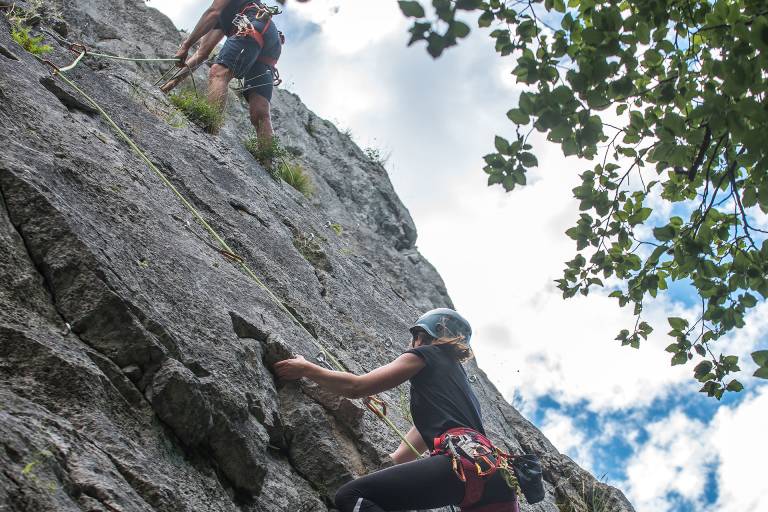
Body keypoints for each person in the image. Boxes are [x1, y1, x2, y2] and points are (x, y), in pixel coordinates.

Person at [275, 308, 518, 512]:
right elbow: (428, 433)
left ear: (421, 335)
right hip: (498, 483)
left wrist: (306, 369)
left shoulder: (426, 353)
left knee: (352, 497)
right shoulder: (457, 379)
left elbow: (356, 387)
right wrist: (394, 461)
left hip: (464, 466)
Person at [161, 0, 282, 144]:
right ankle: (267, 160)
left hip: (253, 24)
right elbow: (202, 54)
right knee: (260, 111)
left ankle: (209, 131)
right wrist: (167, 87)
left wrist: (186, 45)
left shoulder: (220, 10)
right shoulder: (227, 16)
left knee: (219, 72)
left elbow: (213, 12)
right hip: (270, 37)